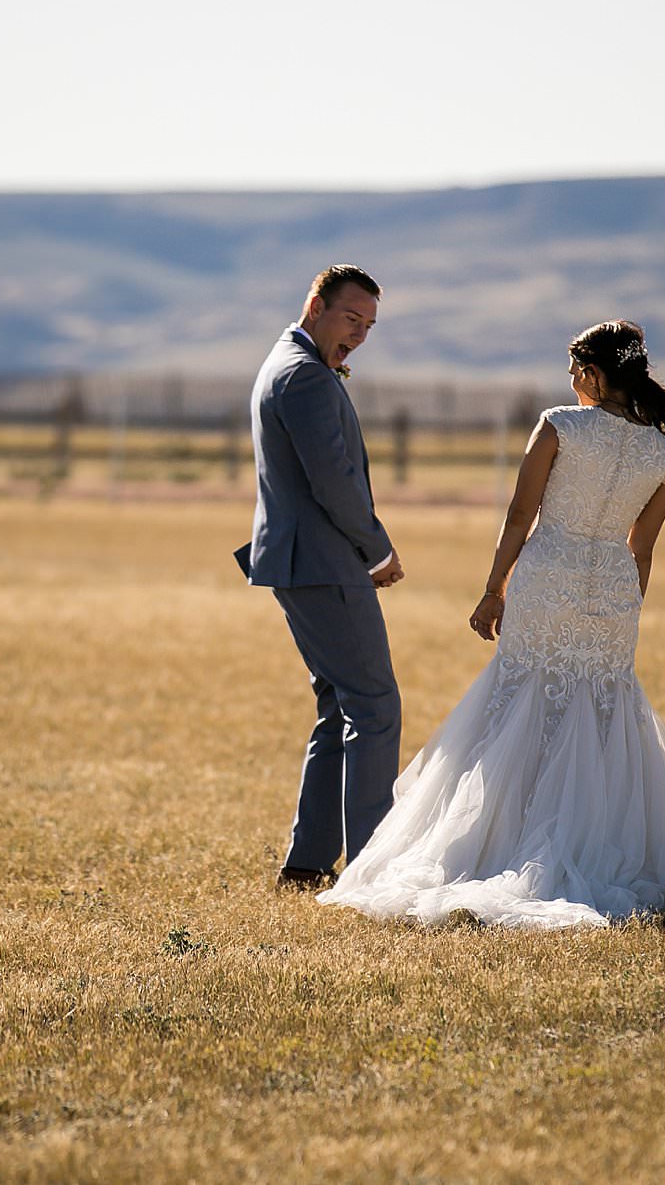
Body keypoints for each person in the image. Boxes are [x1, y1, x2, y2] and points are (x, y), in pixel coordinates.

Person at [319, 319, 665, 929]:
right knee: (599, 709)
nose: (570, 381)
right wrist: (622, 606)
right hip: (612, 594)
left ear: (592, 372)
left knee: (522, 700)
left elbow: (520, 513)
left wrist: (492, 590)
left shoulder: (560, 424)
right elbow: (643, 549)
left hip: (549, 574)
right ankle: (585, 847)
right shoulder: (662, 454)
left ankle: (501, 848)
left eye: (574, 369)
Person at [236, 264, 406, 892]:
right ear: (316, 304)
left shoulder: (289, 361)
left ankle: (308, 863)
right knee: (374, 705)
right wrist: (377, 549)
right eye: (350, 318)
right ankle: (369, 869)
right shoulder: (304, 375)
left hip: (303, 560)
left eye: (368, 325)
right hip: (324, 561)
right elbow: (331, 480)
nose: (359, 334)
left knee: (340, 707)